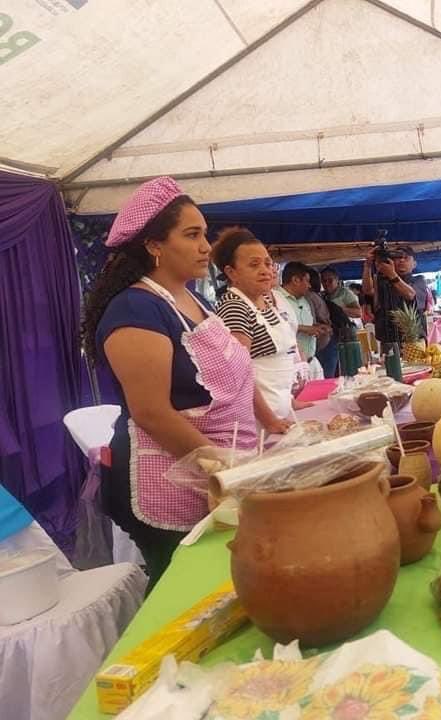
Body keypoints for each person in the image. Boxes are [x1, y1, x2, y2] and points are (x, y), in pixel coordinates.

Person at [81, 177, 288, 588]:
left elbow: (239, 375)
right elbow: (152, 413)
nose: (205, 246)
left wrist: (271, 424)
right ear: (154, 245)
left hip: (216, 469)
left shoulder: (195, 300)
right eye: (191, 235)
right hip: (163, 480)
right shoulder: (135, 309)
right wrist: (227, 467)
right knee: (185, 594)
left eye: (205, 234)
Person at [212, 228, 300, 422]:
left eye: (268, 263)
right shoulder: (234, 307)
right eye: (254, 265)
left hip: (280, 409)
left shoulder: (266, 302)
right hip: (257, 421)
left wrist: (291, 402)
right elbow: (238, 374)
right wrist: (269, 421)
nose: (265, 271)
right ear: (231, 272)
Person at [362, 245, 428, 343]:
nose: (401, 260)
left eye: (406, 258)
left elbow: (410, 294)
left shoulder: (418, 280)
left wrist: (392, 274)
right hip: (387, 339)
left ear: (414, 264)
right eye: (397, 257)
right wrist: (367, 265)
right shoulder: (383, 281)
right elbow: (368, 290)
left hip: (412, 339)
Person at [277, 262, 330, 362]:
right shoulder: (276, 299)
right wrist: (303, 328)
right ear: (296, 280)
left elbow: (308, 324)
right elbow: (276, 327)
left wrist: (317, 327)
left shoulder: (305, 300)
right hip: (290, 365)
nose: (310, 285)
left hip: (311, 361)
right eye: (307, 281)